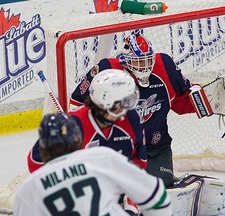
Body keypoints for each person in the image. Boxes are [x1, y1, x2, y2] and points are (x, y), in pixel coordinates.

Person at [0, 69, 147, 214]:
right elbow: (35, 162)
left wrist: (130, 196)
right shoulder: (72, 125)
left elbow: (138, 163)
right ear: (104, 102)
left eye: (129, 101)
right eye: (122, 103)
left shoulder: (132, 120)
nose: (126, 108)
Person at [70, 34, 200, 187]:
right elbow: (78, 102)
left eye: (147, 60)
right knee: (116, 191)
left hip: (156, 146)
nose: (144, 66)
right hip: (118, 148)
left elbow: (184, 100)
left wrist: (207, 100)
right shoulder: (108, 71)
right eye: (139, 61)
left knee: (162, 188)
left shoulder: (164, 65)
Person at [13, 113, 172, 216]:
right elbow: (156, 194)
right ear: (78, 138)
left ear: (41, 146)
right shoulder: (101, 157)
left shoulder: (29, 187)